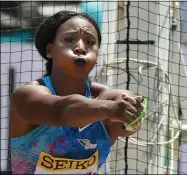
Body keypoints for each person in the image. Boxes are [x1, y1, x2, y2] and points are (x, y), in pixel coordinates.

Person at [9, 11, 144, 174]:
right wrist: (111, 109)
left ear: (97, 54)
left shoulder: (107, 97)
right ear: (50, 50)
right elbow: (64, 111)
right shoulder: (26, 96)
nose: (81, 48)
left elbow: (126, 110)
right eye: (69, 39)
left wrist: (133, 114)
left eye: (90, 42)